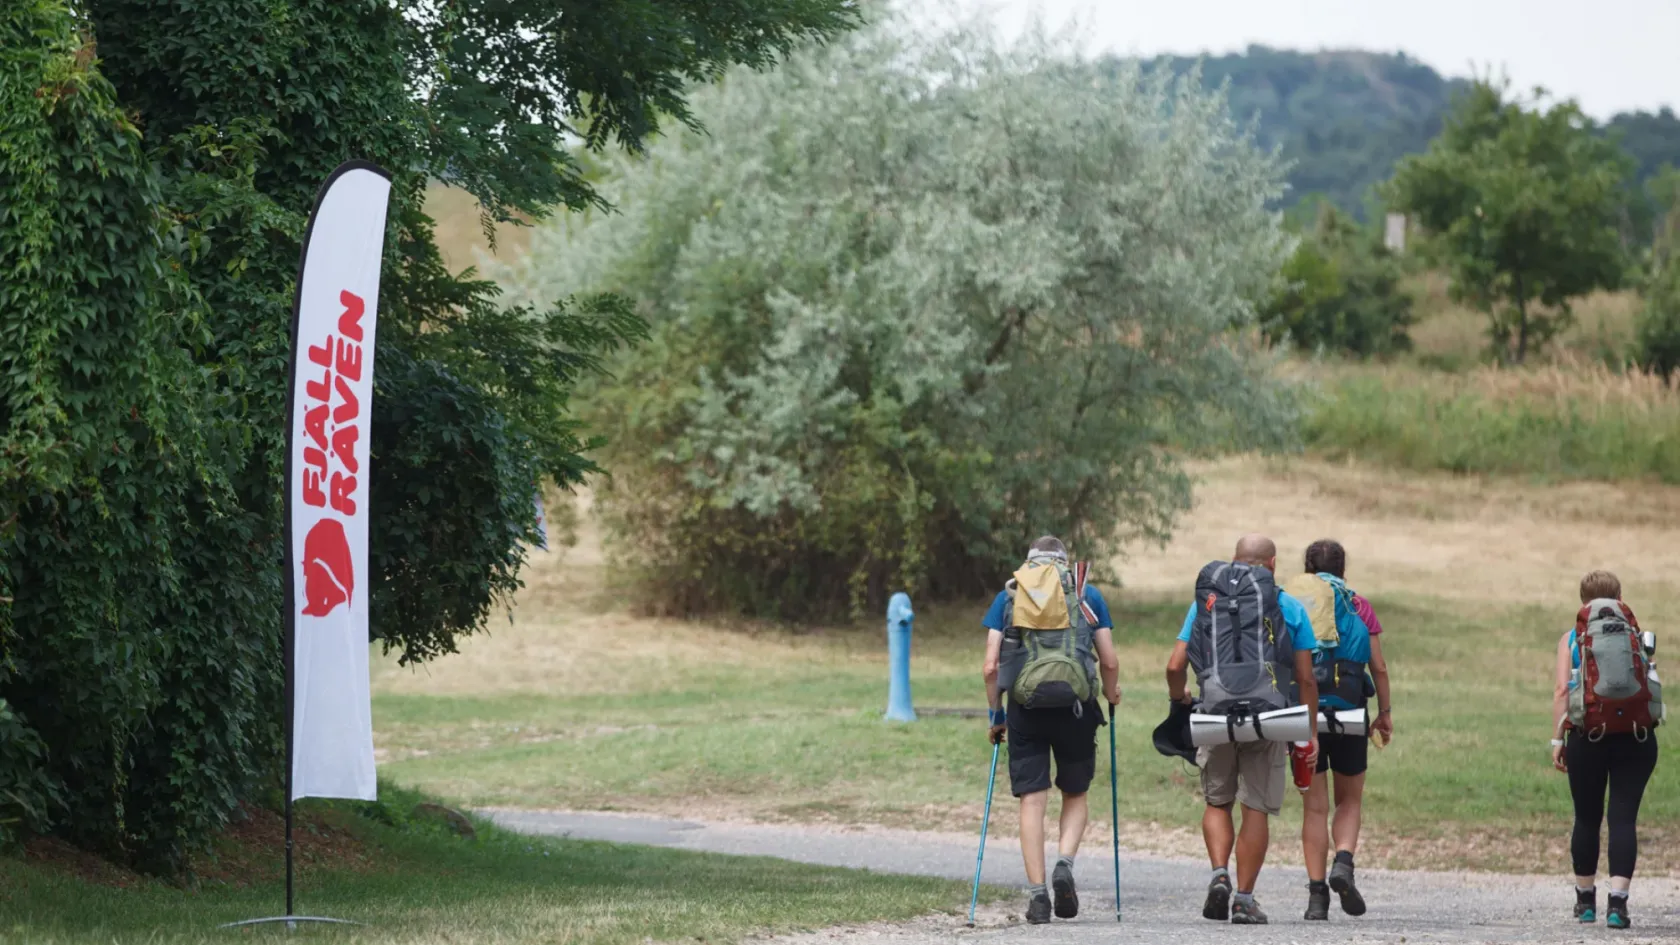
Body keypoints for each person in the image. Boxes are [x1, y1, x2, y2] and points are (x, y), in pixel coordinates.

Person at [1165, 534, 1318, 925]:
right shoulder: (1288, 605)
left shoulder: (1207, 602)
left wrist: (1179, 697)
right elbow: (1305, 677)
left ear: (1234, 561)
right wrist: (1308, 731)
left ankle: (1219, 874)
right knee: (1255, 807)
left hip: (1216, 712)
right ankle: (1244, 899)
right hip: (1268, 718)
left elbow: (1174, 665)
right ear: (1272, 565)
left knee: (1218, 801)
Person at [982, 536, 1122, 925]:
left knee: (1032, 799)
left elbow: (991, 666)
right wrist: (1112, 694)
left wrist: (996, 714)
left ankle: (1038, 895)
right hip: (1077, 708)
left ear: (1029, 562)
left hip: (1025, 709)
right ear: (1063, 561)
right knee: (1075, 791)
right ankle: (1064, 863)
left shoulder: (1009, 595)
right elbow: (1108, 660)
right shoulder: (1085, 593)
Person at [1291, 540, 1393, 921]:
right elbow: (1378, 667)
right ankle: (1344, 863)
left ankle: (1317, 899)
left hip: (1305, 717)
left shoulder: (1294, 602)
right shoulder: (1359, 604)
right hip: (1351, 714)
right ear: (1342, 568)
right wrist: (1383, 713)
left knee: (1314, 808)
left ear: (1307, 568)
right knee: (1349, 800)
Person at [1552, 570, 1660, 930]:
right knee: (1623, 818)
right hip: (1636, 736)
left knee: (1587, 817)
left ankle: (1585, 903)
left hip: (1588, 736)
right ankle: (1618, 905)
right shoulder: (1636, 635)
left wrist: (1557, 739)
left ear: (1584, 601)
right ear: (1619, 597)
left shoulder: (1572, 638)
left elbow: (1562, 692)